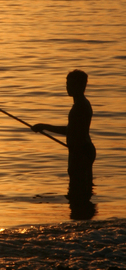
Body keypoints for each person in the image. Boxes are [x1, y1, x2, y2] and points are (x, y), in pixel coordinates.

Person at [32, 70, 96, 200]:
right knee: (82, 191)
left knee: (77, 192)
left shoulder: (80, 106)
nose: (67, 87)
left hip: (81, 153)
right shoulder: (82, 104)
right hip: (81, 151)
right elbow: (72, 130)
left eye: (70, 84)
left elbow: (70, 131)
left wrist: (44, 126)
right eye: (67, 83)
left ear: (80, 86)